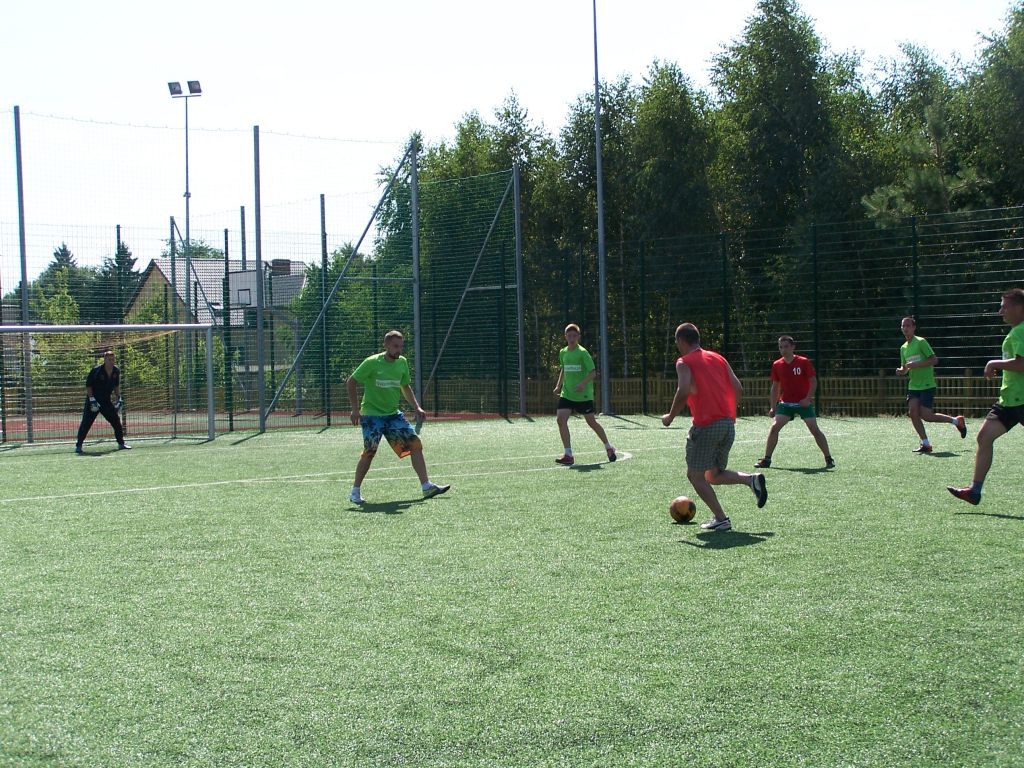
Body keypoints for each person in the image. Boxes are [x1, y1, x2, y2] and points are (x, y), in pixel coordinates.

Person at [661, 323, 767, 532]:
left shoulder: (684, 362)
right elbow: (738, 388)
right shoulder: (718, 358)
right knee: (713, 475)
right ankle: (751, 480)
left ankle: (721, 518)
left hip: (706, 425)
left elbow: (683, 391)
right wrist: (725, 409)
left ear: (681, 341)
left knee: (695, 475)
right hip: (728, 424)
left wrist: (670, 417)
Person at [346, 330, 449, 504]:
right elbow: (351, 382)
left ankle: (426, 486)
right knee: (369, 452)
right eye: (395, 346)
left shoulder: (402, 362)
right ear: (386, 345)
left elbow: (405, 386)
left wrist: (416, 407)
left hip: (393, 415)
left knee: (415, 445)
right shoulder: (372, 362)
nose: (398, 350)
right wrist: (355, 409)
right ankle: (355, 492)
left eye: (401, 346)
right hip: (372, 416)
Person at [948, 288, 1024, 505]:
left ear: (1020, 307)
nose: (1000, 311)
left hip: (1021, 400)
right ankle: (974, 491)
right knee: (984, 437)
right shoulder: (1016, 331)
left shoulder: (1020, 331)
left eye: (1004, 307)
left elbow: (1022, 364)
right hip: (1010, 400)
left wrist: (993, 363)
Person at [755, 336, 834, 469]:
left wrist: (807, 399)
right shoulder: (777, 364)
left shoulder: (803, 362)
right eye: (781, 347)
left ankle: (828, 458)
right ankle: (767, 460)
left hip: (803, 403)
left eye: (786, 346)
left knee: (814, 429)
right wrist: (773, 407)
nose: (783, 350)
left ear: (793, 347)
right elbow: (775, 386)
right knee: (774, 427)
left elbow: (813, 381)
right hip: (786, 403)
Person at [897, 316, 967, 452]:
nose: (905, 328)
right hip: (913, 385)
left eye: (908, 326)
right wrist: (901, 371)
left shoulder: (921, 342)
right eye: (903, 326)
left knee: (927, 416)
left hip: (927, 384)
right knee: (913, 413)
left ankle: (956, 421)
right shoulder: (903, 348)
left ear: (914, 328)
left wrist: (917, 364)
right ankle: (925, 444)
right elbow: (905, 368)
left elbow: (934, 360)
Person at [552, 323, 616, 465]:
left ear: (578, 337)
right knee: (561, 419)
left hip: (583, 395)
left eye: (574, 335)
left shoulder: (583, 353)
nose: (572, 338)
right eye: (569, 335)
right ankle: (568, 454)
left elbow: (593, 373)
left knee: (591, 422)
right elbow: (563, 369)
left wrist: (582, 384)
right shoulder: (563, 352)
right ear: (565, 337)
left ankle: (608, 447)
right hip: (567, 394)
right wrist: (558, 385)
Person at [75, 349, 130, 453]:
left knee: (116, 421)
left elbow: (116, 386)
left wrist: (119, 398)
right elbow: (88, 385)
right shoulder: (96, 370)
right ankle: (79, 445)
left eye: (113, 359)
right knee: (86, 423)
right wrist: (92, 399)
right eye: (109, 359)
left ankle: (121, 443)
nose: (111, 361)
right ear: (104, 360)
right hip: (94, 400)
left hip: (106, 401)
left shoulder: (116, 371)